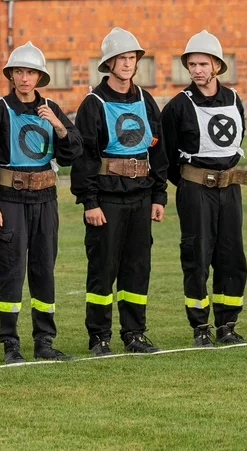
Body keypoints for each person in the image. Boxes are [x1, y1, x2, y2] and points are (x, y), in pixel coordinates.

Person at [0, 42, 82, 364]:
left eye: (30, 72)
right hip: (10, 199)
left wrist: (59, 126)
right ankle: (11, 344)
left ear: (39, 76)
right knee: (10, 271)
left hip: (46, 199)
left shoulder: (51, 108)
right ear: (11, 75)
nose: (24, 78)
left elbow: (72, 153)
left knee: (44, 269)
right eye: (19, 72)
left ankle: (44, 341)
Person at [160, 31, 247, 347]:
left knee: (231, 257)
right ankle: (200, 328)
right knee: (197, 256)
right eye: (192, 64)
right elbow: (165, 154)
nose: (197, 70)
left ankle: (228, 325)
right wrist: (191, 183)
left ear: (216, 66)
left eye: (203, 64)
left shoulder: (234, 99)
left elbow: (237, 141)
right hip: (196, 192)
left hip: (230, 190)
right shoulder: (179, 105)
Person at [71, 27, 169, 357]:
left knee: (137, 268)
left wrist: (159, 196)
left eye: (131, 58)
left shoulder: (145, 100)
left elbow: (157, 149)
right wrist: (90, 201)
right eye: (121, 58)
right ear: (108, 63)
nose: (127, 64)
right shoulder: (93, 103)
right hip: (107, 200)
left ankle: (135, 334)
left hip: (141, 197)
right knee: (103, 268)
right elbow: (84, 157)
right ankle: (99, 336)